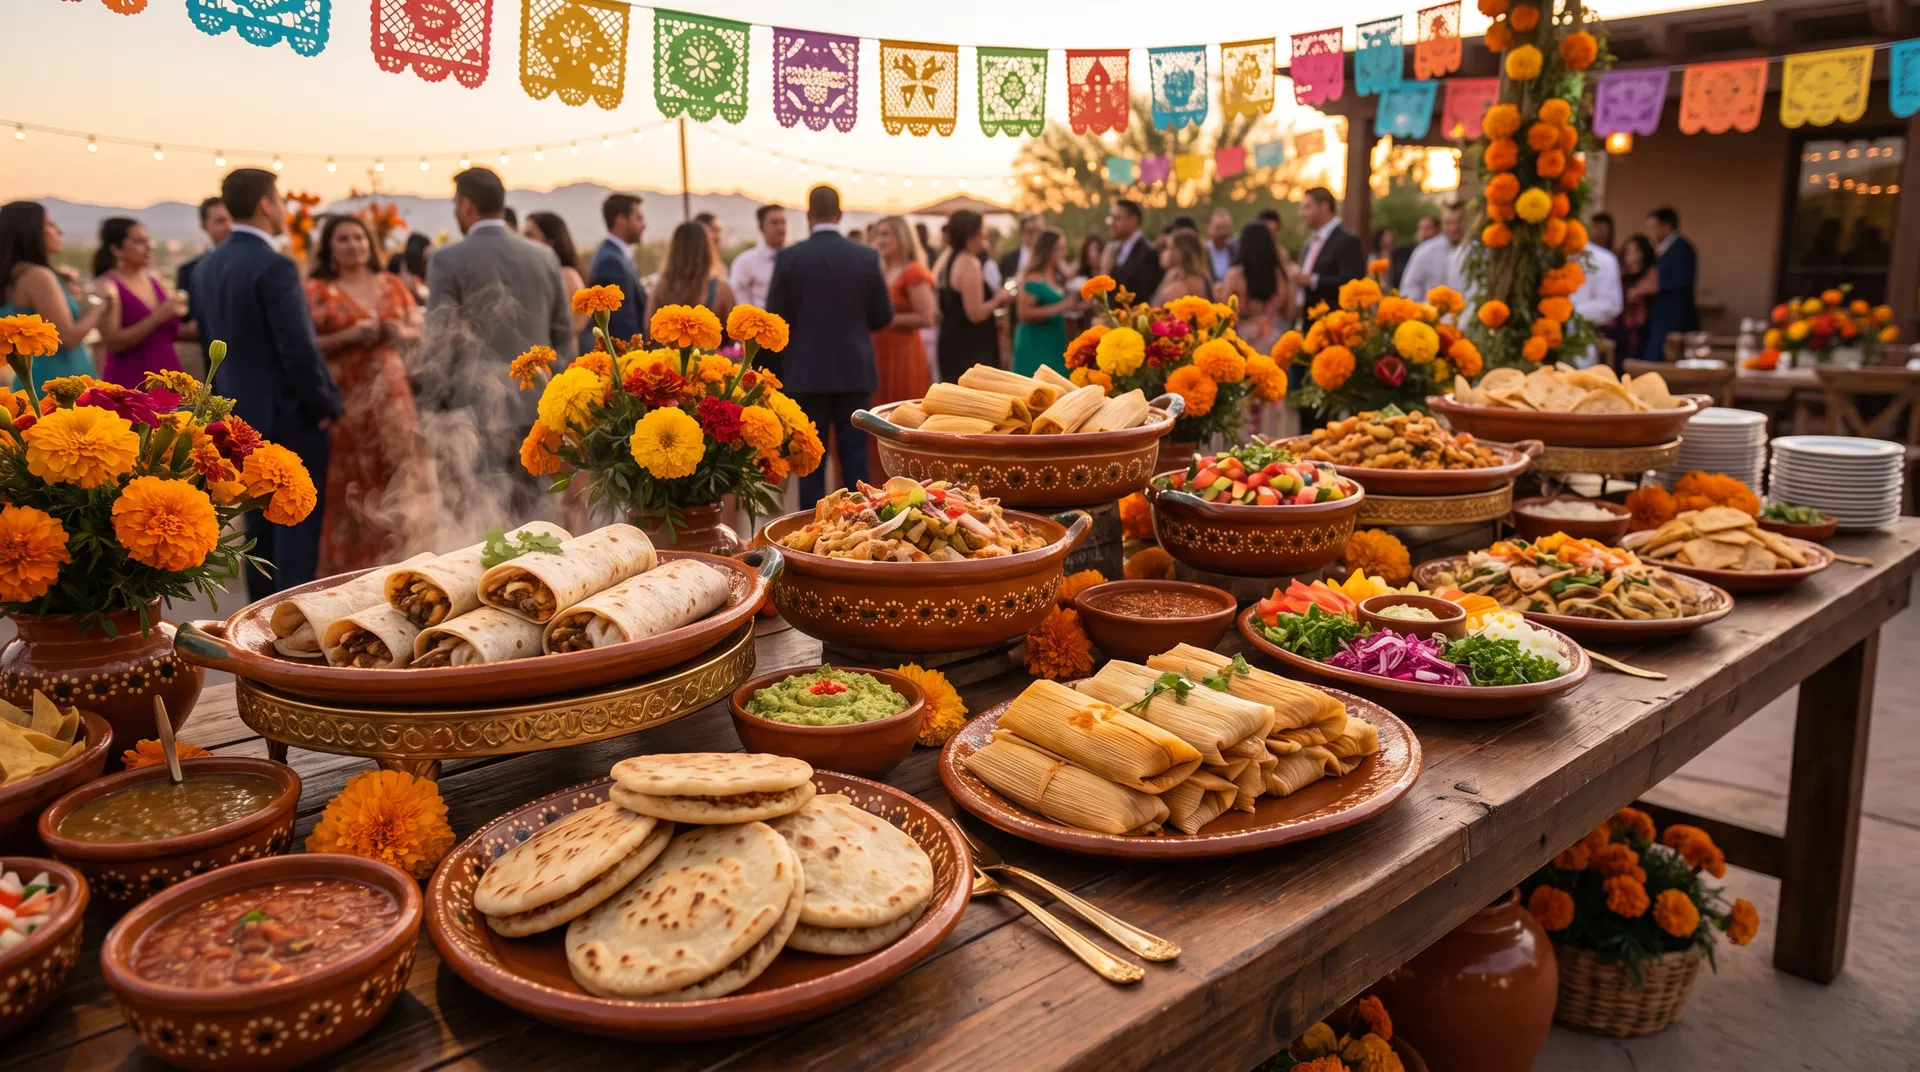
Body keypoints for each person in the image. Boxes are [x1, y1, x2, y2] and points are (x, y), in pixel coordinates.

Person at [194, 168, 344, 597]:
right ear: (265, 204)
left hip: (239, 422)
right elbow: (298, 349)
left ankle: (257, 627)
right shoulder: (275, 265)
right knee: (296, 528)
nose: (282, 210)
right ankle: (293, 628)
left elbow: (212, 350)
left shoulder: (208, 266)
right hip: (289, 418)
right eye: (279, 200)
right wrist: (325, 406)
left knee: (257, 534)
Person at [423, 166, 573, 522]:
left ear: (466, 205)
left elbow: (440, 340)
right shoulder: (543, 256)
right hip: (537, 406)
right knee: (537, 513)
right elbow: (563, 335)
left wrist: (431, 403)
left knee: (479, 516)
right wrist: (555, 397)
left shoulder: (448, 259)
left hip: (473, 409)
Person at [304, 214, 434, 574]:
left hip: (392, 395)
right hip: (345, 397)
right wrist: (349, 337)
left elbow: (418, 329)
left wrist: (398, 332)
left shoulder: (391, 282)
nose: (354, 245)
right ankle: (349, 573)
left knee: (399, 473)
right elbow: (304, 344)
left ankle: (404, 566)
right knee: (351, 485)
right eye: (344, 239)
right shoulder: (316, 289)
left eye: (359, 238)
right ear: (330, 247)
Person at [765, 184, 894, 507]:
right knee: (854, 459)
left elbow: (774, 321)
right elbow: (883, 315)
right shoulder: (865, 256)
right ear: (840, 213)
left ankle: (809, 530)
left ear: (808, 215)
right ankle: (859, 530)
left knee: (809, 463)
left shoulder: (789, 258)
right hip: (853, 371)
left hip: (805, 374)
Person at [0, 201, 107, 390]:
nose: (59, 231)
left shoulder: (14, 275)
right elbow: (68, 338)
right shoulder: (38, 276)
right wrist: (101, 307)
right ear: (30, 232)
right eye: (50, 224)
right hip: (56, 385)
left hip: (41, 380)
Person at [865, 215, 937, 480]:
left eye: (887, 234)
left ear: (902, 238)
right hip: (876, 354)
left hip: (903, 355)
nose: (881, 240)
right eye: (878, 234)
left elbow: (927, 316)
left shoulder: (913, 271)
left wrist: (886, 320)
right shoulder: (879, 271)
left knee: (899, 419)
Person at [93, 217, 187, 386]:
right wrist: (158, 316)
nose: (150, 246)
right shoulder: (108, 286)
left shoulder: (153, 280)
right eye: (139, 241)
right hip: (131, 381)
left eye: (148, 240)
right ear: (116, 249)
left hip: (168, 377)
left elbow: (164, 333)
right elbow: (112, 342)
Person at [932, 209, 1010, 384]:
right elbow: (975, 314)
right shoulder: (969, 263)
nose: (985, 232)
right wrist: (999, 298)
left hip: (952, 342)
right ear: (972, 233)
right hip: (970, 347)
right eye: (982, 228)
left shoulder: (948, 259)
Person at [174, 195, 232, 375]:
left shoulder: (258, 267)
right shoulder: (189, 271)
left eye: (232, 219)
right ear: (204, 225)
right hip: (209, 366)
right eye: (220, 221)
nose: (229, 227)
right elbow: (185, 321)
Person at [646, 221, 736, 331]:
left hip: (667, 348)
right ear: (707, 249)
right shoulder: (721, 290)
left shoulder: (660, 288)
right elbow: (732, 336)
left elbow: (649, 330)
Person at [1291, 187, 1366, 316]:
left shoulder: (1347, 240)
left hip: (1335, 322)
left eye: (1307, 207)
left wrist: (1313, 280)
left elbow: (1351, 282)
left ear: (1324, 207)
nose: (1302, 213)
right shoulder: (1309, 243)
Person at [1012, 229, 1076, 380]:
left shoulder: (1055, 274)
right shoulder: (1032, 277)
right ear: (1049, 250)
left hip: (1054, 342)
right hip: (1036, 344)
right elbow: (1023, 313)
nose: (1064, 252)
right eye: (1060, 248)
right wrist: (1061, 307)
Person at [585, 193, 647, 348]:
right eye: (638, 218)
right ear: (620, 221)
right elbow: (623, 322)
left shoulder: (617, 256)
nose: (644, 224)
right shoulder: (611, 261)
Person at [1219, 223, 1293, 353]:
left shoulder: (1235, 275)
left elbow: (1224, 314)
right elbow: (1288, 313)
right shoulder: (1280, 275)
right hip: (1273, 344)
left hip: (1243, 345)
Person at [522, 211, 589, 338]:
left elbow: (573, 328)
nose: (522, 240)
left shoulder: (567, 276)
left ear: (549, 242)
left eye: (529, 235)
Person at [1643, 206, 1697, 361]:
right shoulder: (1664, 248)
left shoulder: (1682, 248)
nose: (1650, 232)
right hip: (1660, 314)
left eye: (1653, 227)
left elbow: (1682, 279)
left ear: (1665, 226)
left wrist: (1654, 286)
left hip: (1672, 316)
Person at [1570, 238, 1624, 368]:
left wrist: (1572, 314)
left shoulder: (1603, 259)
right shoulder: (1539, 253)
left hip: (1579, 344)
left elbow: (1612, 303)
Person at [1398, 203, 1468, 303]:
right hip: (1431, 314)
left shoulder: (1475, 251)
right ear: (1442, 225)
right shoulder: (1424, 252)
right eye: (1448, 223)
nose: (1454, 228)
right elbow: (1409, 288)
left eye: (1458, 222)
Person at [1612, 234, 1659, 371]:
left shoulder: (1650, 272)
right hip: (1620, 323)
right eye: (1628, 251)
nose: (1631, 255)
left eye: (1635, 251)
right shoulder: (1620, 272)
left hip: (1640, 324)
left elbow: (1638, 293)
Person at [729, 204, 787, 312]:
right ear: (761, 227)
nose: (780, 228)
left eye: (783, 222)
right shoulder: (745, 263)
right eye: (774, 223)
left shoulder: (795, 260)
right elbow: (741, 305)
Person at [1105, 198, 1163, 301]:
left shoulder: (1148, 254)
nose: (1112, 224)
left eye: (1117, 218)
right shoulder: (1115, 251)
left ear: (1133, 220)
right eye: (1111, 218)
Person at [1153, 232, 1214, 304]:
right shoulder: (1172, 274)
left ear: (1181, 251)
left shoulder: (1195, 280)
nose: (1166, 252)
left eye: (1170, 248)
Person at [996, 213, 1042, 282]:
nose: (1035, 235)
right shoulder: (1007, 260)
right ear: (1022, 232)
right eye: (1031, 231)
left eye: (1038, 231)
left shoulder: (1049, 257)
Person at [1204, 209, 1238, 284]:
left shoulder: (1236, 251)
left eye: (1225, 228)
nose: (1222, 232)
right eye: (1218, 228)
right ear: (1209, 227)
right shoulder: (1203, 252)